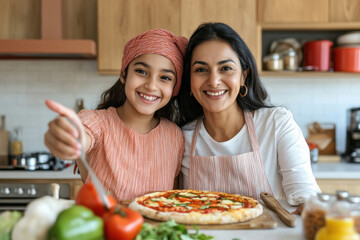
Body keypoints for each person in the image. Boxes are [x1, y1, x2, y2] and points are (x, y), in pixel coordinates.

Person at [177, 22, 320, 213]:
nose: (213, 81)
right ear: (189, 80)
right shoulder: (182, 138)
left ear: (244, 76)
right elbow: (176, 207)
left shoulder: (276, 123)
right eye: (201, 69)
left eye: (225, 68)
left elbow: (307, 197)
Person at [44, 29, 188, 201]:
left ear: (174, 89)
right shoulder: (98, 122)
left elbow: (173, 198)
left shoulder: (175, 136)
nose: (151, 85)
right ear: (123, 74)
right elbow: (81, 135)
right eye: (141, 71)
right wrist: (69, 137)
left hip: (156, 228)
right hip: (105, 226)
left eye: (165, 78)